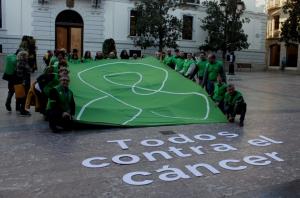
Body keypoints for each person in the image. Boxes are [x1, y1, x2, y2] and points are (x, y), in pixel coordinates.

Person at [15, 50, 31, 116]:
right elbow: (19, 73)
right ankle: (23, 110)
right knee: (24, 96)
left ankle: (19, 108)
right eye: (26, 56)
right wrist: (23, 81)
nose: (27, 57)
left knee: (21, 96)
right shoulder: (22, 62)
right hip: (24, 82)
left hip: (25, 81)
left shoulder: (23, 62)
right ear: (23, 56)